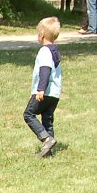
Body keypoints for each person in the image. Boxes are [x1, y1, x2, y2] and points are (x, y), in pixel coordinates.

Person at [23, 16, 63, 158]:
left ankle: (46, 140)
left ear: (41, 35)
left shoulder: (44, 51)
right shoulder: (55, 51)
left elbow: (45, 71)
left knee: (28, 114)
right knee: (47, 120)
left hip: (44, 92)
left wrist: (39, 90)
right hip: (54, 94)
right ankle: (48, 152)